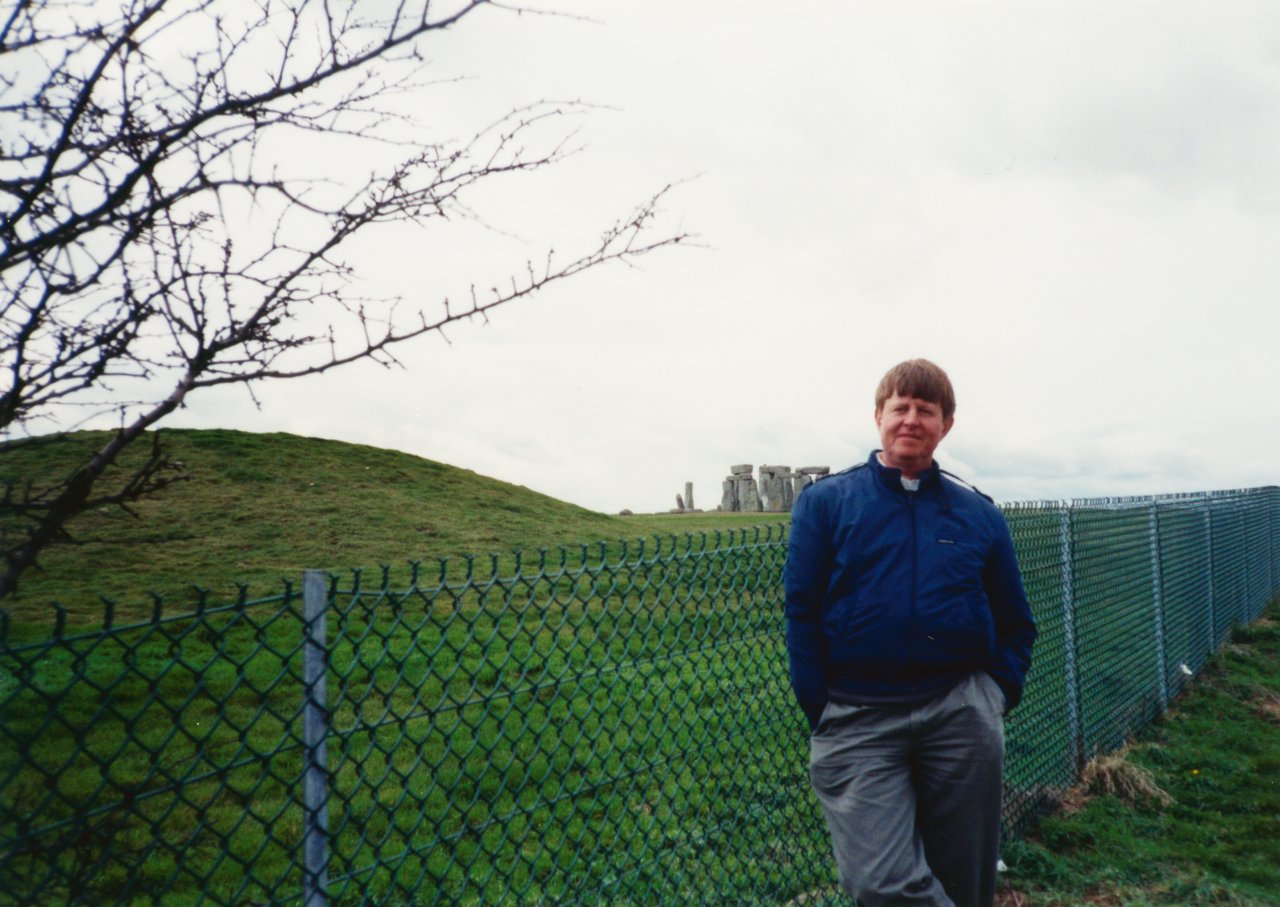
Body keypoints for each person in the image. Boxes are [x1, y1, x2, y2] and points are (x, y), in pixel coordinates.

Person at [784, 358, 1037, 907]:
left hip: (959, 714)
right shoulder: (826, 504)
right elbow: (801, 611)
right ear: (878, 416)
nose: (911, 420)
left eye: (927, 410)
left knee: (965, 883)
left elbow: (1016, 619)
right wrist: (819, 706)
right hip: (857, 717)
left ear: (947, 425)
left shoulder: (978, 514)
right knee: (880, 882)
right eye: (900, 407)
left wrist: (995, 694)